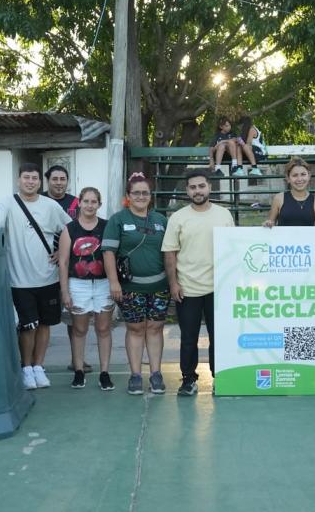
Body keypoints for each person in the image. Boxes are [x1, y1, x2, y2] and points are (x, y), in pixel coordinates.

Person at [0, 163, 72, 389]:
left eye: (34, 178)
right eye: (26, 177)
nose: (30, 181)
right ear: (18, 180)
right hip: (19, 280)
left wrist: (60, 251)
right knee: (27, 326)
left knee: (45, 324)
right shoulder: (7, 203)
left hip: (49, 277)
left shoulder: (51, 206)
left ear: (39, 182)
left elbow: (70, 230)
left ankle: (38, 367)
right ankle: (26, 368)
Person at [163, 169, 235, 396]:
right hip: (188, 288)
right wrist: (173, 284)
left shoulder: (224, 215)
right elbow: (170, 253)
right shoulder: (178, 218)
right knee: (188, 338)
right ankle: (188, 379)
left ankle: (219, 377)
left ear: (209, 187)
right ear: (187, 191)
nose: (197, 191)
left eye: (201, 186)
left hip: (218, 288)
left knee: (219, 336)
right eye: (193, 187)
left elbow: (234, 249)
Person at [102, 173, 169, 396]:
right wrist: (114, 282)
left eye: (145, 193)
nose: (141, 196)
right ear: (128, 196)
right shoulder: (118, 220)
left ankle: (156, 374)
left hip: (159, 286)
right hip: (130, 288)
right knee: (135, 328)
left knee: (155, 327)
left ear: (151, 196)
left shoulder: (161, 221)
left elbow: (171, 253)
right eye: (136, 193)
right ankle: (136, 375)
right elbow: (109, 252)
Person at [58, 187, 114, 391]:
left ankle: (105, 373)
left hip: (103, 283)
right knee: (79, 329)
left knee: (103, 329)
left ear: (99, 204)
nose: (90, 205)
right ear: (79, 203)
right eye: (86, 201)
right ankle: (79, 371)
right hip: (78, 284)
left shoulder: (108, 227)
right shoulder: (69, 229)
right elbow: (63, 262)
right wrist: (65, 290)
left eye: (94, 202)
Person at [42, 165, 91, 373]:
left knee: (73, 316)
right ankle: (37, 363)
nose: (59, 182)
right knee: (41, 318)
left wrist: (63, 254)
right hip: (41, 265)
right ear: (48, 180)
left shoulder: (75, 203)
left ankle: (76, 360)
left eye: (63, 179)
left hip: (69, 266)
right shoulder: (39, 201)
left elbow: (80, 232)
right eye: (55, 179)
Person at [263, 157, 315, 227]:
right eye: (295, 175)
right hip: (283, 238)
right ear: (288, 178)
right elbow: (270, 224)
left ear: (309, 176)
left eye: (303, 174)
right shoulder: (279, 199)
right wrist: (267, 224)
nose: (299, 179)